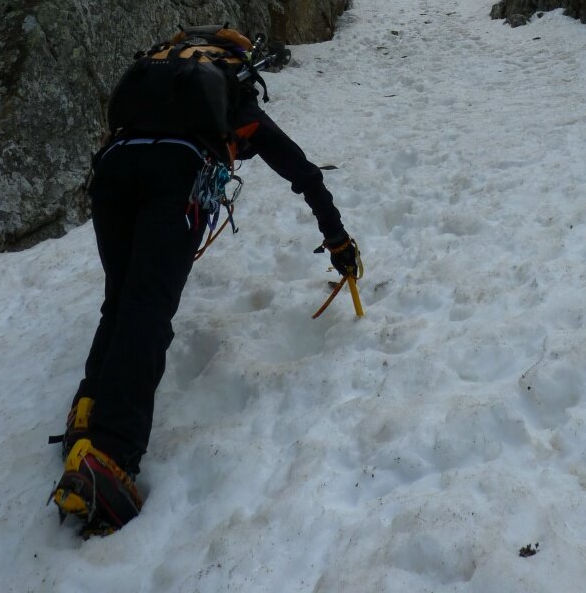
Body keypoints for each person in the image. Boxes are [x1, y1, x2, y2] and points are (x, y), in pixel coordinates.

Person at [50, 27, 361, 535]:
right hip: (178, 172)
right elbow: (301, 171)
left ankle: (87, 413)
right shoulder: (229, 95)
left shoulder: (161, 79)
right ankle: (110, 455)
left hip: (113, 168)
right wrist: (338, 239)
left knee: (121, 299)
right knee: (148, 308)